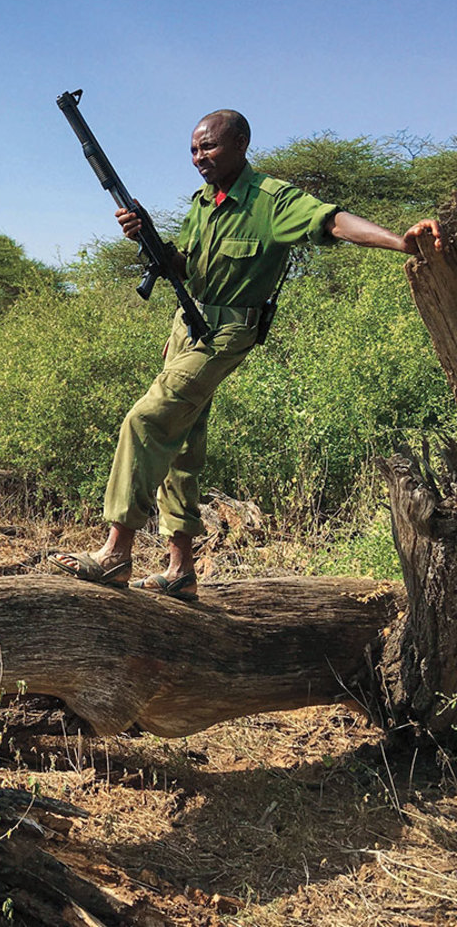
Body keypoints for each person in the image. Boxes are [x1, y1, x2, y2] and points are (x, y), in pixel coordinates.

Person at [54, 108, 444, 599]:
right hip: (187, 325)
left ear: (240, 144)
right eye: (194, 149)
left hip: (227, 332)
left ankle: (115, 553)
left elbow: (335, 222)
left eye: (209, 147)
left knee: (146, 421)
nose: (199, 157)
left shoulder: (272, 200)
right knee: (182, 442)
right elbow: (187, 267)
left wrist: (400, 242)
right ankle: (180, 572)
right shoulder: (204, 201)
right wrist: (150, 235)